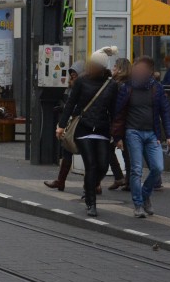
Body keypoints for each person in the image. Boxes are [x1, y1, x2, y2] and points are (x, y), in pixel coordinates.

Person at [56, 47, 118, 217]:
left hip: (102, 129)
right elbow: (71, 103)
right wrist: (61, 125)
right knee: (91, 164)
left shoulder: (111, 85)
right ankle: (91, 202)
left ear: (102, 67)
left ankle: (89, 185)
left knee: (103, 165)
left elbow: (114, 111)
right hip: (83, 128)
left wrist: (117, 134)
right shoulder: (81, 81)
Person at [112, 56, 170, 218]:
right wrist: (117, 137)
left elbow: (165, 112)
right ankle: (138, 204)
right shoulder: (127, 88)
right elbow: (118, 114)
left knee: (157, 168)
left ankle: (145, 194)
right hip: (132, 132)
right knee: (136, 169)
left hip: (152, 133)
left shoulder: (156, 88)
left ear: (149, 72)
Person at [46, 62, 82, 191]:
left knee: (87, 153)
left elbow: (75, 105)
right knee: (67, 148)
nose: (72, 75)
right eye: (71, 73)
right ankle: (61, 181)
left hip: (82, 122)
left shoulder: (83, 87)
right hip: (73, 122)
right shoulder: (71, 87)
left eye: (75, 73)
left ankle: (95, 184)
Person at [107, 57, 131, 190]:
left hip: (117, 123)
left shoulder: (116, 85)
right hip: (128, 122)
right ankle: (127, 180)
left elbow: (115, 107)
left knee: (108, 149)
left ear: (120, 69)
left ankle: (120, 177)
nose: (112, 69)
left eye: (115, 67)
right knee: (126, 153)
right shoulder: (130, 84)